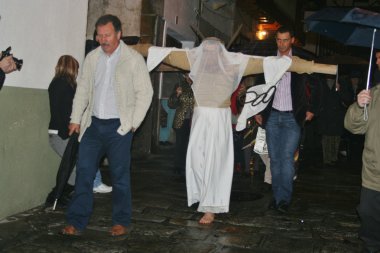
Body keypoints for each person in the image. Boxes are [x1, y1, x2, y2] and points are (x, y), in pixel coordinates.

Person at [62, 14, 153, 236]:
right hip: (93, 125)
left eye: (107, 35)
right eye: (99, 35)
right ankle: (76, 221)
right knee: (84, 173)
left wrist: (133, 123)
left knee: (120, 175)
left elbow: (145, 93)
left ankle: (121, 221)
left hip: (119, 127)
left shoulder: (133, 59)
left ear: (119, 34)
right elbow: (82, 90)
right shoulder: (92, 58)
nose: (103, 39)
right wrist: (75, 119)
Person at [254, 26, 319, 213]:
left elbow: (317, 85)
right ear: (276, 40)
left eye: (285, 40)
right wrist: (258, 110)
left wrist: (312, 109)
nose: (282, 44)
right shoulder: (268, 62)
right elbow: (259, 86)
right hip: (272, 115)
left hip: (292, 117)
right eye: (279, 40)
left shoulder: (300, 62)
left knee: (287, 159)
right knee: (274, 160)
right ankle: (277, 197)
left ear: (292, 40)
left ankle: (284, 199)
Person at [47, 55, 111, 204]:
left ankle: (61, 195)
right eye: (76, 68)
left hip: (63, 132)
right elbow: (61, 110)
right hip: (62, 133)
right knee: (76, 164)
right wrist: (68, 131)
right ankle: (57, 196)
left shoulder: (63, 84)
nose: (77, 71)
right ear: (71, 67)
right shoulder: (62, 84)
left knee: (73, 164)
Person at [344, 88, 380, 253]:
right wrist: (359, 106)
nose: (379, 61)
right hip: (374, 171)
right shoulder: (374, 93)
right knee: (368, 211)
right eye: (379, 59)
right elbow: (354, 127)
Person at [317, 74, 348, 168]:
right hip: (325, 116)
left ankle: (334, 158)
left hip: (337, 116)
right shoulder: (321, 82)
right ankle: (326, 159)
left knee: (335, 138)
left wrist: (340, 90)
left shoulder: (341, 82)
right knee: (326, 138)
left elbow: (347, 99)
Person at [168, 73, 194, 178]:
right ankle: (178, 166)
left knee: (191, 144)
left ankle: (190, 166)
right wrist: (176, 95)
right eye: (188, 74)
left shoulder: (198, 85)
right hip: (182, 120)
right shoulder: (179, 85)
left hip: (195, 120)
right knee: (180, 144)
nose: (189, 76)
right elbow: (171, 104)